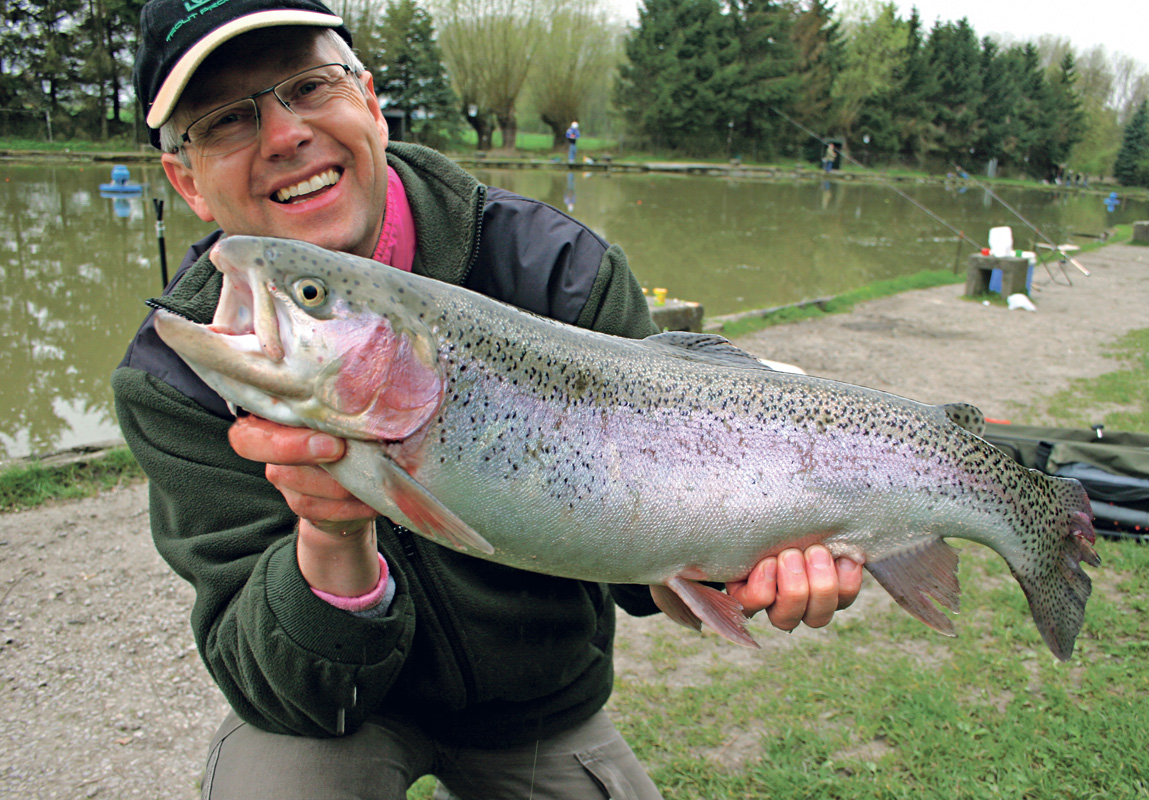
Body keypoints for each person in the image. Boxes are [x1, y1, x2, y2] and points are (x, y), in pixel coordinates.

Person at [112, 1, 864, 796]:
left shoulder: (553, 267)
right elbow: (279, 687)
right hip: (338, 720)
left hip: (537, 708)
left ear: (369, 101)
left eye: (308, 85)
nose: (284, 133)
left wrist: (727, 570)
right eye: (228, 119)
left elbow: (641, 575)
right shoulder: (181, 371)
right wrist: (331, 537)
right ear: (185, 181)